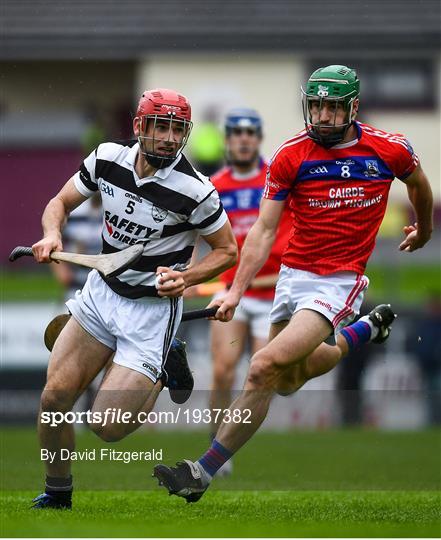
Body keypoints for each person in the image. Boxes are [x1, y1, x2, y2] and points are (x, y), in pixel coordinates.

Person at [153, 65, 434, 502]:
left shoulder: (389, 149)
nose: (322, 116)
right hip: (292, 277)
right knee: (287, 381)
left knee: (262, 366)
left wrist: (425, 229)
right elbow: (263, 232)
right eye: (316, 105)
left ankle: (202, 471)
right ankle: (366, 330)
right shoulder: (291, 155)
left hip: (338, 282)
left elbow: (419, 185)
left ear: (353, 108)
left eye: (332, 108)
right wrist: (237, 290)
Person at [30, 88, 237, 509]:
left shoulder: (196, 190)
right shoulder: (107, 158)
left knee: (106, 427)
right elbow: (60, 202)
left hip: (152, 313)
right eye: (160, 127)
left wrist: (187, 277)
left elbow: (227, 251)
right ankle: (57, 493)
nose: (168, 138)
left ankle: (162, 371)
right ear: (140, 127)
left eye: (177, 130)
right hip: (101, 295)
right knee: (53, 401)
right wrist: (52, 233)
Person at [207, 107, 291, 475]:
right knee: (223, 372)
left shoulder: (278, 178)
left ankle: (226, 445)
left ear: (258, 139)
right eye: (236, 132)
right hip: (232, 292)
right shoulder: (214, 186)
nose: (243, 138)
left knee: (265, 375)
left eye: (250, 132)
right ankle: (214, 447)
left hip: (273, 293)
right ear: (227, 140)